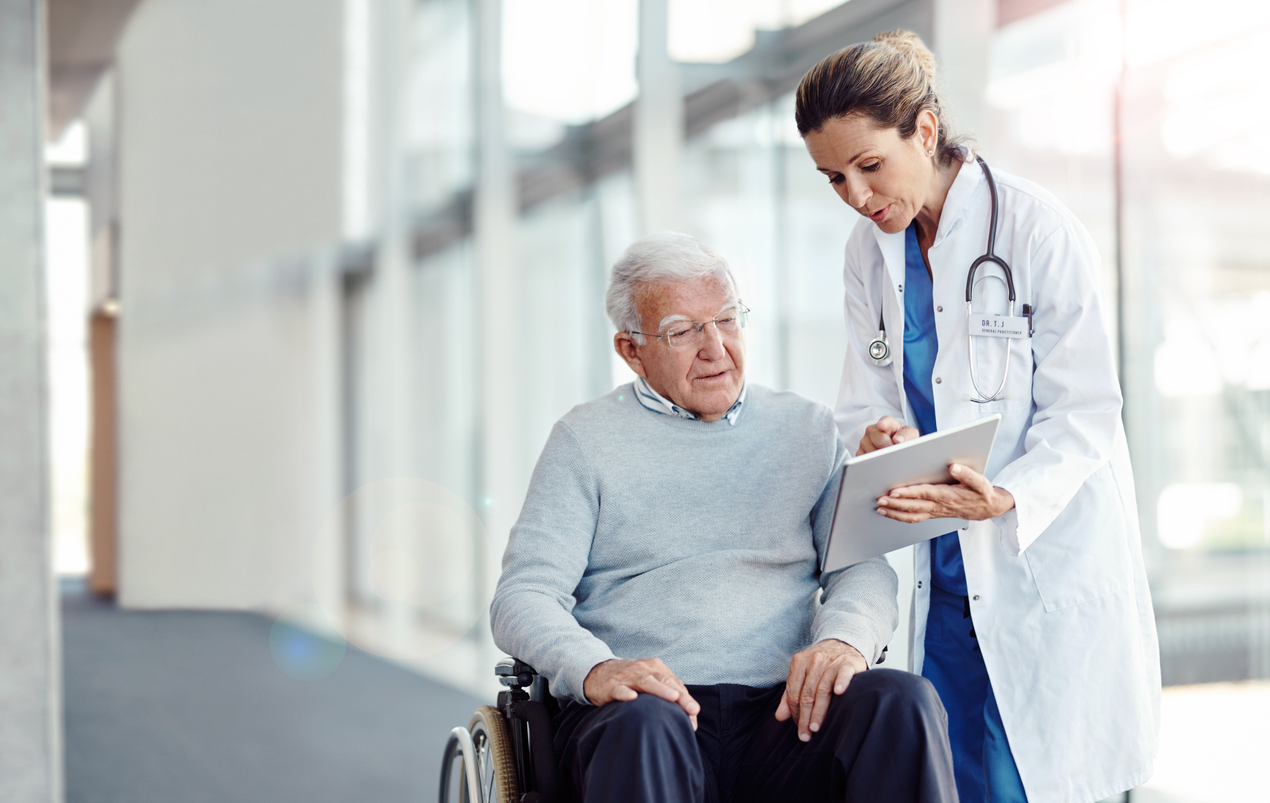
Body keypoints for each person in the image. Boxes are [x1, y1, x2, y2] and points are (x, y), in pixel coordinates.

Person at [793, 30, 1161, 803]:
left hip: (1037, 558)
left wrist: (1008, 494)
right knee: (952, 776)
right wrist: (876, 433)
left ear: (923, 131)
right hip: (944, 571)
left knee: (1026, 774)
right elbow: (863, 396)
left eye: (868, 166)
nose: (856, 197)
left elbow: (1087, 409)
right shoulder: (869, 253)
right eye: (832, 178)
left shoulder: (1034, 228)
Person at [491, 231, 958, 803]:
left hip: (785, 713)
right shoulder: (584, 440)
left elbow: (860, 564)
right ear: (631, 350)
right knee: (644, 723)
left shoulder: (807, 430)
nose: (715, 347)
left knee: (900, 700)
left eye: (727, 320)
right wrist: (596, 669)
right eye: (683, 331)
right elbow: (523, 596)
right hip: (651, 713)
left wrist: (845, 641)